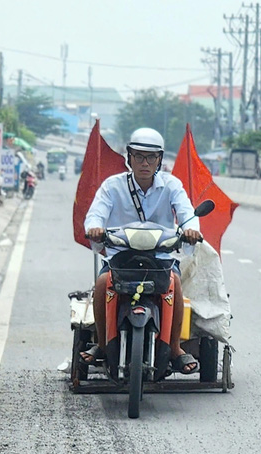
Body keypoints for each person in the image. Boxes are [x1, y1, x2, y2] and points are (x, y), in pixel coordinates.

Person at [81, 127, 202, 374]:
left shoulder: (172, 185)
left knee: (174, 284)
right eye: (138, 156)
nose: (144, 163)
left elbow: (187, 214)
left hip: (160, 259)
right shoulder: (112, 186)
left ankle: (176, 347)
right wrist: (94, 228)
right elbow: (96, 214)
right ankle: (103, 346)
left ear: (159, 160)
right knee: (103, 283)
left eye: (151, 157)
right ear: (129, 157)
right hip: (121, 259)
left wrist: (190, 229)